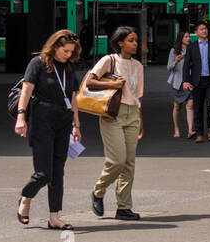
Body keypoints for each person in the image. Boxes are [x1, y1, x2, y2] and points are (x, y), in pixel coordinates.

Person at [15, 29, 83, 230]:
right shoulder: (38, 63)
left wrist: (76, 125)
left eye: (71, 51)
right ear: (54, 47)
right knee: (44, 173)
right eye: (65, 51)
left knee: (58, 172)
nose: (68, 55)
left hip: (64, 120)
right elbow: (26, 90)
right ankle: (26, 197)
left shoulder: (69, 68)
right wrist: (21, 117)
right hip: (42, 118)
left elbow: (73, 98)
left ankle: (54, 217)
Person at [83, 26, 144, 221]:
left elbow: (137, 96)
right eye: (131, 40)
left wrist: (140, 119)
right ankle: (98, 191)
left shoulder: (138, 66)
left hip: (132, 113)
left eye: (135, 40)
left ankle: (124, 207)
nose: (135, 44)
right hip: (113, 114)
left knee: (129, 163)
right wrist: (112, 84)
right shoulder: (109, 60)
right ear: (120, 43)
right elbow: (89, 83)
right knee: (117, 160)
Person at [182, 20, 210, 143]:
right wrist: (185, 81)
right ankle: (199, 133)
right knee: (197, 108)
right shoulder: (192, 47)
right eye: (201, 29)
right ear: (196, 32)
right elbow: (186, 66)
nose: (204, 31)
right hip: (197, 82)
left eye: (205, 29)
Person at [167, 30, 195, 139]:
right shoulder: (174, 51)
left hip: (190, 81)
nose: (188, 39)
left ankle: (190, 130)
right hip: (177, 82)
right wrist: (176, 61)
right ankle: (176, 129)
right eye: (186, 37)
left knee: (190, 105)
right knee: (177, 106)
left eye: (189, 37)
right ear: (181, 39)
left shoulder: (192, 50)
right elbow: (169, 67)